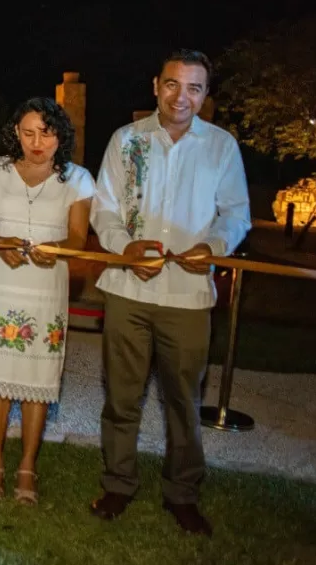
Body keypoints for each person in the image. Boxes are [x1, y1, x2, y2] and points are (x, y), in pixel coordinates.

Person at [90, 50, 250, 536]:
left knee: (182, 401)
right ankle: (118, 484)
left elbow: (236, 212)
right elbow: (104, 210)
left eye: (195, 87)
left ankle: (182, 494)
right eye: (174, 84)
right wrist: (125, 247)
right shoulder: (126, 140)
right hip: (127, 291)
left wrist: (214, 245)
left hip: (186, 295)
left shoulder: (221, 147)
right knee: (122, 396)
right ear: (156, 85)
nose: (183, 96)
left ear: (205, 95)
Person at [0, 98, 94, 504]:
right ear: (15, 133)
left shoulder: (77, 178)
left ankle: (27, 468)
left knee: (37, 381)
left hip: (45, 286)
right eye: (28, 132)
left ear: (60, 135)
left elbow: (77, 237)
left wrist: (54, 249)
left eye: (47, 133)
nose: (37, 142)